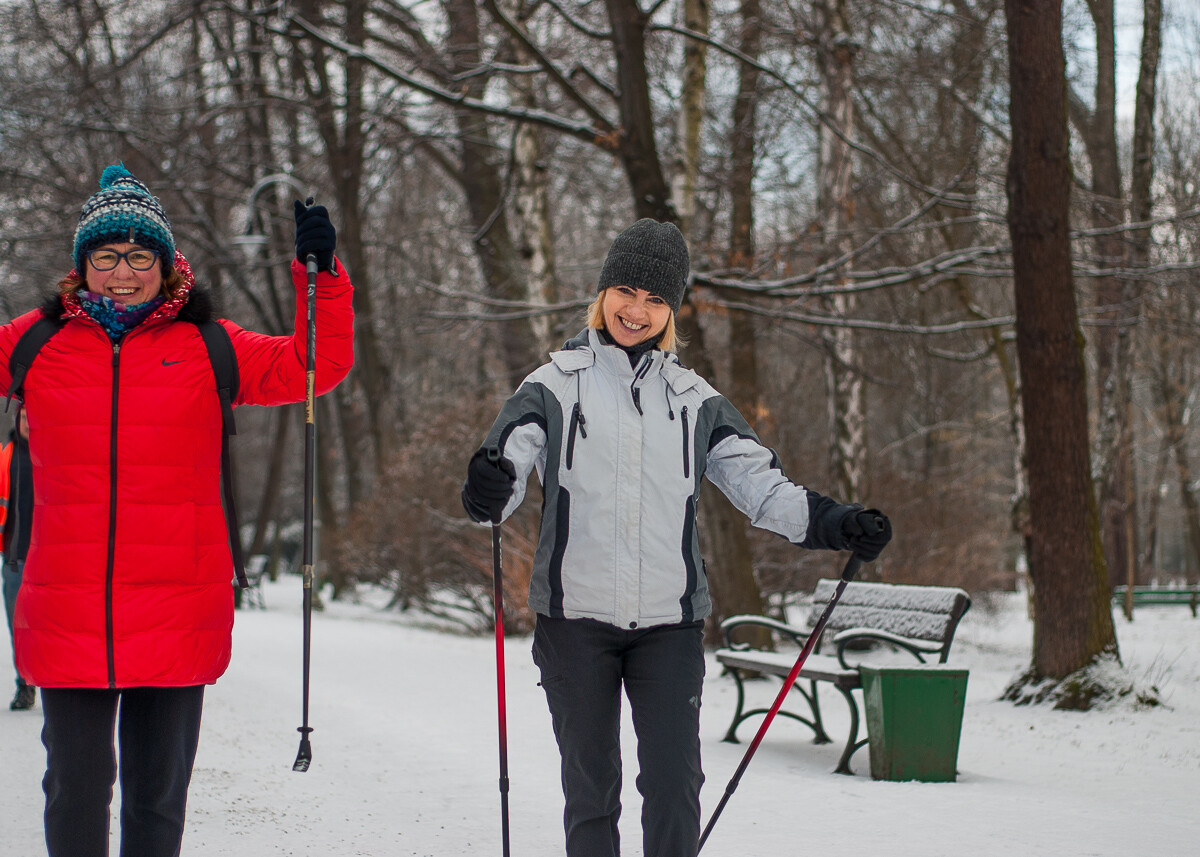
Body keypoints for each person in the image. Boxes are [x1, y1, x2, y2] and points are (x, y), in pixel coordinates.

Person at [461, 218, 892, 857]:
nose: (636, 310)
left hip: (670, 627)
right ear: (604, 291)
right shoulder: (550, 387)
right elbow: (504, 476)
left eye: (655, 299)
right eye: (627, 291)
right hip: (573, 624)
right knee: (591, 787)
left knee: (673, 784)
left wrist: (835, 522)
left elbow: (761, 487)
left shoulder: (694, 401)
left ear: (671, 311)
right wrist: (488, 487)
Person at [0, 163, 355, 857]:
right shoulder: (35, 343)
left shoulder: (211, 345)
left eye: (140, 256)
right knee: (74, 786)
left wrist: (323, 278)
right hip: (67, 607)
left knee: (157, 796)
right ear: (83, 265)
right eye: (106, 256)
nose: (123, 272)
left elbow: (314, 365)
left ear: (167, 265)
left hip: (176, 605)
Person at [1, 407, 34, 710]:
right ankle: (25, 686)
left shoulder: (50, 455)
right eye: (22, 417)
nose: (26, 422)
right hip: (14, 562)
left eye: (30, 417)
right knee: (17, 628)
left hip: (48, 563)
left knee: (50, 629)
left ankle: (53, 686)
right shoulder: (5, 458)